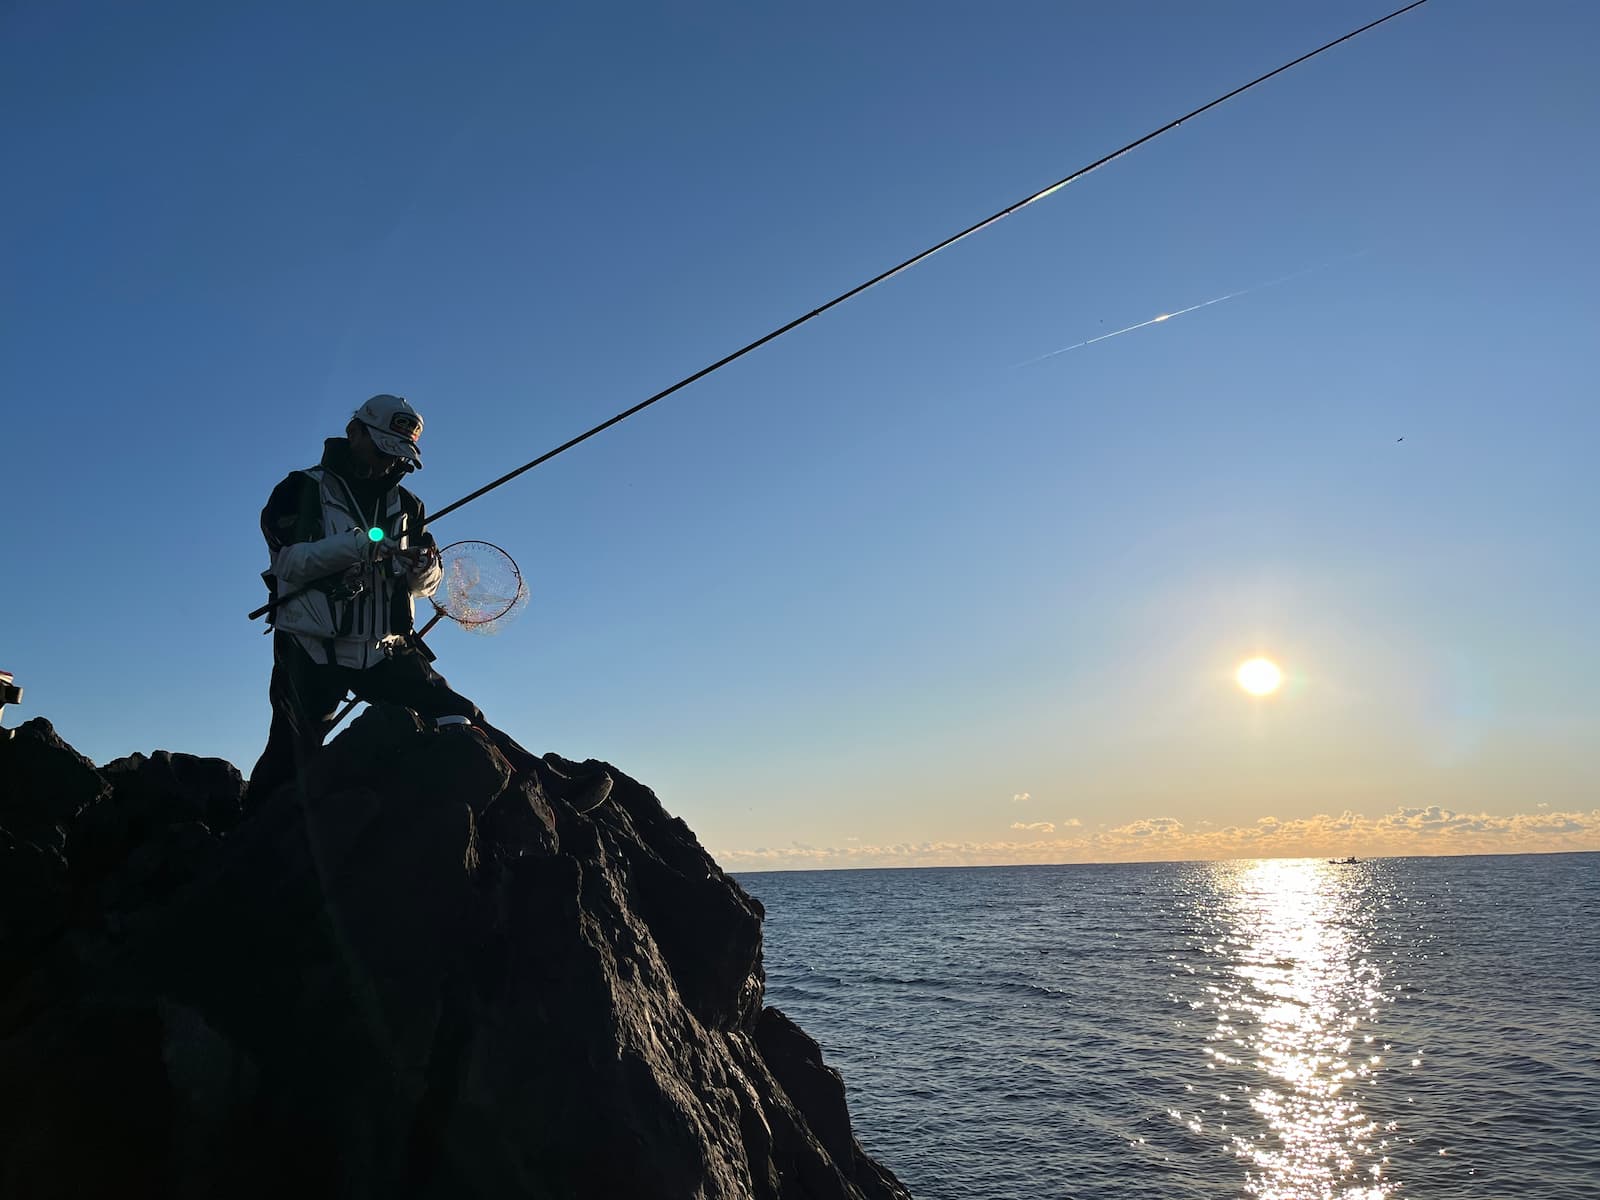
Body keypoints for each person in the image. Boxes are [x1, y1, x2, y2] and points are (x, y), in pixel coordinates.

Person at [246, 394, 608, 816]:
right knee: (290, 751)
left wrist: (423, 569)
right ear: (354, 432)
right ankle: (250, 827)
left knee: (460, 713)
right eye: (382, 448)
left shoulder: (409, 506)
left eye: (396, 454)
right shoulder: (300, 489)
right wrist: (360, 546)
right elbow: (289, 560)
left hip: (385, 649)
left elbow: (425, 584)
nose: (388, 462)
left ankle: (553, 791)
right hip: (310, 649)